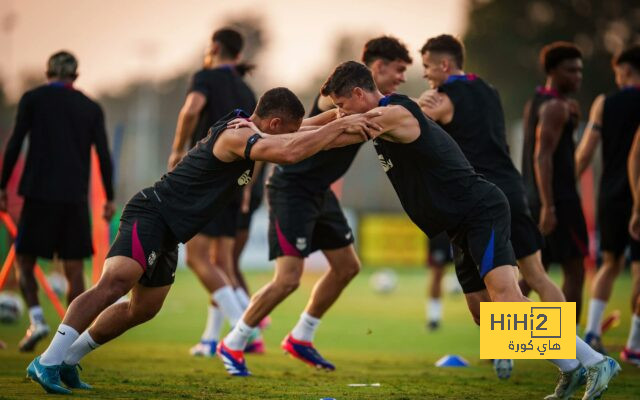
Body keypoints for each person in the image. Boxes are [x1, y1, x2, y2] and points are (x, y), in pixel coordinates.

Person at [25, 87, 377, 394]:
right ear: (273, 125)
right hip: (151, 214)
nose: (291, 135)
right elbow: (290, 150)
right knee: (115, 283)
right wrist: (338, 125)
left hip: (171, 231)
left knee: (143, 308)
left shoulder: (259, 129)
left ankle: (69, 359)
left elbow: (305, 132)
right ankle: (47, 361)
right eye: (287, 130)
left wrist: (351, 117)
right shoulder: (237, 135)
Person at [320, 60, 619, 400]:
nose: (340, 114)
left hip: (480, 209)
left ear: (359, 94)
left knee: (507, 297)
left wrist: (284, 143)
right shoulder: (373, 116)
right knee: (484, 312)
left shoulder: (394, 112)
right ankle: (571, 366)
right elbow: (327, 125)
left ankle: (596, 362)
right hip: (457, 224)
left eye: (342, 106)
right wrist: (273, 133)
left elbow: (333, 137)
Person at [216, 36, 412, 376]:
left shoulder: (392, 107)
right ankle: (234, 341)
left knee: (347, 266)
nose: (401, 79)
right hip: (294, 188)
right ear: (375, 69)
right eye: (398, 71)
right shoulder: (342, 97)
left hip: (319, 191)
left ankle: (300, 337)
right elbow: (303, 129)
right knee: (289, 279)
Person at [418, 35, 565, 321]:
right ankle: (573, 351)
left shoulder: (443, 98)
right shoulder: (488, 88)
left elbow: (406, 122)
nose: (424, 74)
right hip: (512, 187)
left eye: (427, 66)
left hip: (481, 198)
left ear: (445, 64)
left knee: (487, 290)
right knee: (538, 277)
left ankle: (509, 356)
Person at [0, 51, 114, 352]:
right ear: (76, 76)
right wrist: (110, 197)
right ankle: (69, 335)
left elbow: (14, 144)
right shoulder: (90, 107)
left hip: (38, 194)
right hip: (74, 198)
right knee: (74, 269)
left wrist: (2, 186)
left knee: (24, 261)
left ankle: (37, 320)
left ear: (48, 72)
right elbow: (103, 155)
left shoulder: (33, 99)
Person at [168, 27, 264, 357]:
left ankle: (241, 329)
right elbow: (258, 141)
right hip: (236, 183)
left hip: (207, 180)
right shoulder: (248, 90)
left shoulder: (205, 77)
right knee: (220, 262)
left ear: (215, 48)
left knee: (197, 259)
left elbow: (191, 110)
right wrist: (248, 189)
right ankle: (212, 339)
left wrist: (177, 150)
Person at [576, 45, 640, 361]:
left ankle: (591, 333)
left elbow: (586, 150)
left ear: (625, 70)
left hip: (610, 193)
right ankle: (635, 344)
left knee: (609, 264)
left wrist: (564, 188)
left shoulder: (604, 103)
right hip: (637, 192)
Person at [520, 42, 588, 324]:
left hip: (532, 199)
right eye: (570, 70)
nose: (578, 76)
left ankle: (498, 345)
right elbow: (542, 156)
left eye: (580, 70)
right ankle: (571, 348)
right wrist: (549, 206)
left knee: (533, 273)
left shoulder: (537, 101)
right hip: (557, 201)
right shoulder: (556, 107)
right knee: (575, 271)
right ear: (552, 70)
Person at [425, 232, 451, 330]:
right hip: (442, 230)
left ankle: (488, 322)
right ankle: (434, 317)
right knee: (437, 273)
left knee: (485, 273)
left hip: (473, 225)